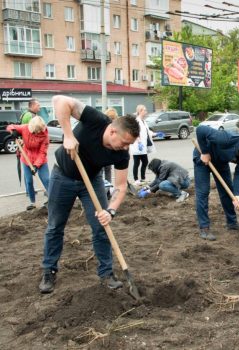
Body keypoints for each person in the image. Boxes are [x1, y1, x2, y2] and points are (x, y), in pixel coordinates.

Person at [39, 95, 140, 294]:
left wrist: (110, 211)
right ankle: (49, 270)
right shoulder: (96, 120)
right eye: (125, 142)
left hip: (91, 182)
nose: (126, 147)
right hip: (63, 176)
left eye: (130, 144)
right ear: (112, 131)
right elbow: (60, 100)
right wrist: (68, 135)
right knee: (55, 226)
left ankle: (106, 273)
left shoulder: (121, 154)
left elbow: (120, 187)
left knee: (101, 226)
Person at [193, 125, 239, 241]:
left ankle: (232, 222)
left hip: (221, 162)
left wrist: (237, 194)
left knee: (228, 192)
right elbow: (200, 129)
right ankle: (204, 228)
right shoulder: (225, 138)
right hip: (203, 158)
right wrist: (205, 152)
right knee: (203, 192)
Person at [7, 116, 50, 210]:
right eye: (33, 131)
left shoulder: (45, 136)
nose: (34, 133)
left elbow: (42, 153)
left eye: (37, 131)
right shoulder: (25, 128)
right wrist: (13, 131)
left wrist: (36, 165)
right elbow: (10, 126)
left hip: (40, 160)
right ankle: (32, 203)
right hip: (26, 159)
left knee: (47, 180)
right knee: (29, 181)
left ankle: (51, 201)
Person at [130, 104, 151, 185]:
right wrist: (138, 141)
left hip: (143, 146)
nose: (146, 112)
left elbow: (147, 132)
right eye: (144, 110)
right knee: (136, 163)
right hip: (137, 146)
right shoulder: (137, 121)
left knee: (145, 162)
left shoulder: (143, 121)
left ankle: (142, 178)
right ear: (140, 111)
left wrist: (156, 134)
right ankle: (136, 179)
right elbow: (134, 132)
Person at [103, 108, 119, 191]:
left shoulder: (107, 126)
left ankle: (107, 190)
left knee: (105, 171)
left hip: (106, 153)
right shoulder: (112, 127)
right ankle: (107, 190)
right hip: (105, 153)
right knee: (106, 171)